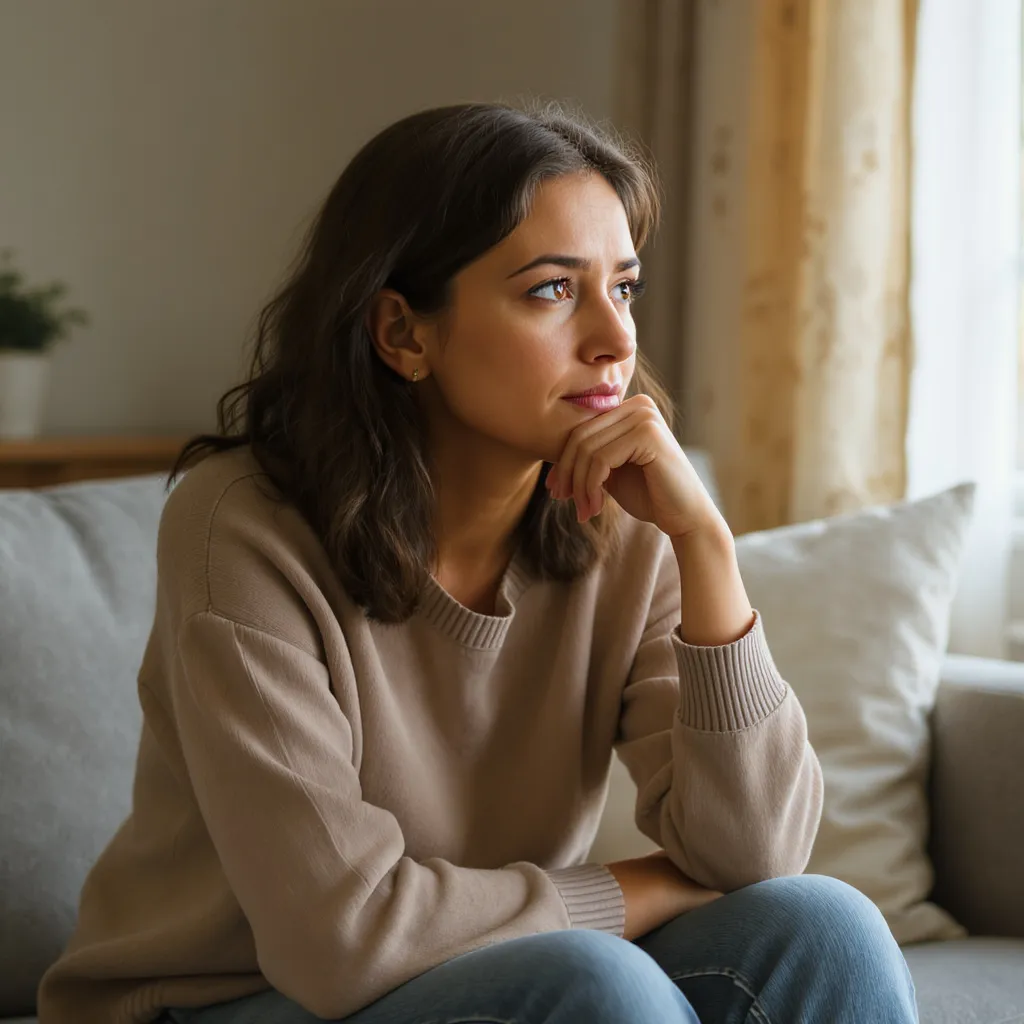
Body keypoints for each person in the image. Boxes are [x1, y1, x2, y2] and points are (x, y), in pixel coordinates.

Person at [36, 100, 919, 1024]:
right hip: (220, 999)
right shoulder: (243, 530)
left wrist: (705, 548)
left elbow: (758, 857)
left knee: (826, 926)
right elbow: (341, 939)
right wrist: (637, 890)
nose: (615, 341)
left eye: (624, 287)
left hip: (479, 967)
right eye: (551, 290)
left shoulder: (627, 522)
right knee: (595, 983)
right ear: (403, 334)